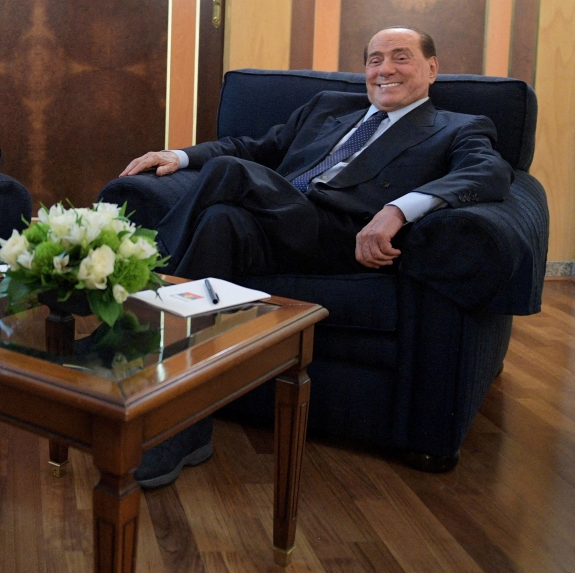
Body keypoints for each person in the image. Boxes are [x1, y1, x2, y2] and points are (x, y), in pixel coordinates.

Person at [118, 27, 513, 488]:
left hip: (341, 236)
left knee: (230, 176)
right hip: (276, 219)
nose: (384, 69)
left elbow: (491, 172)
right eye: (374, 60)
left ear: (431, 68)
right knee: (220, 220)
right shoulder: (328, 107)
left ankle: (131, 279)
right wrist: (180, 155)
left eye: (400, 58)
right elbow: (254, 147)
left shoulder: (458, 126)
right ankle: (185, 431)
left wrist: (399, 209)